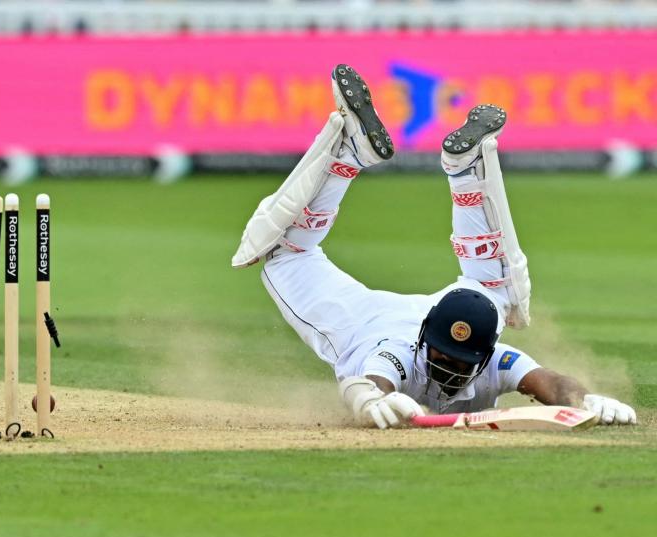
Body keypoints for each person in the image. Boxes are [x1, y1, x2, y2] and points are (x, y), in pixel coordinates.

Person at [231, 64, 636, 429]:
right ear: (425, 340)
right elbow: (370, 380)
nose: (447, 370)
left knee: (493, 300)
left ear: (483, 357)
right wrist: (370, 400)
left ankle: (443, 168)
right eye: (441, 357)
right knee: (284, 248)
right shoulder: (398, 352)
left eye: (461, 365)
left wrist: (586, 401)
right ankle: (362, 157)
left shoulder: (492, 357)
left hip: (448, 312)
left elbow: (549, 381)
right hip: (363, 325)